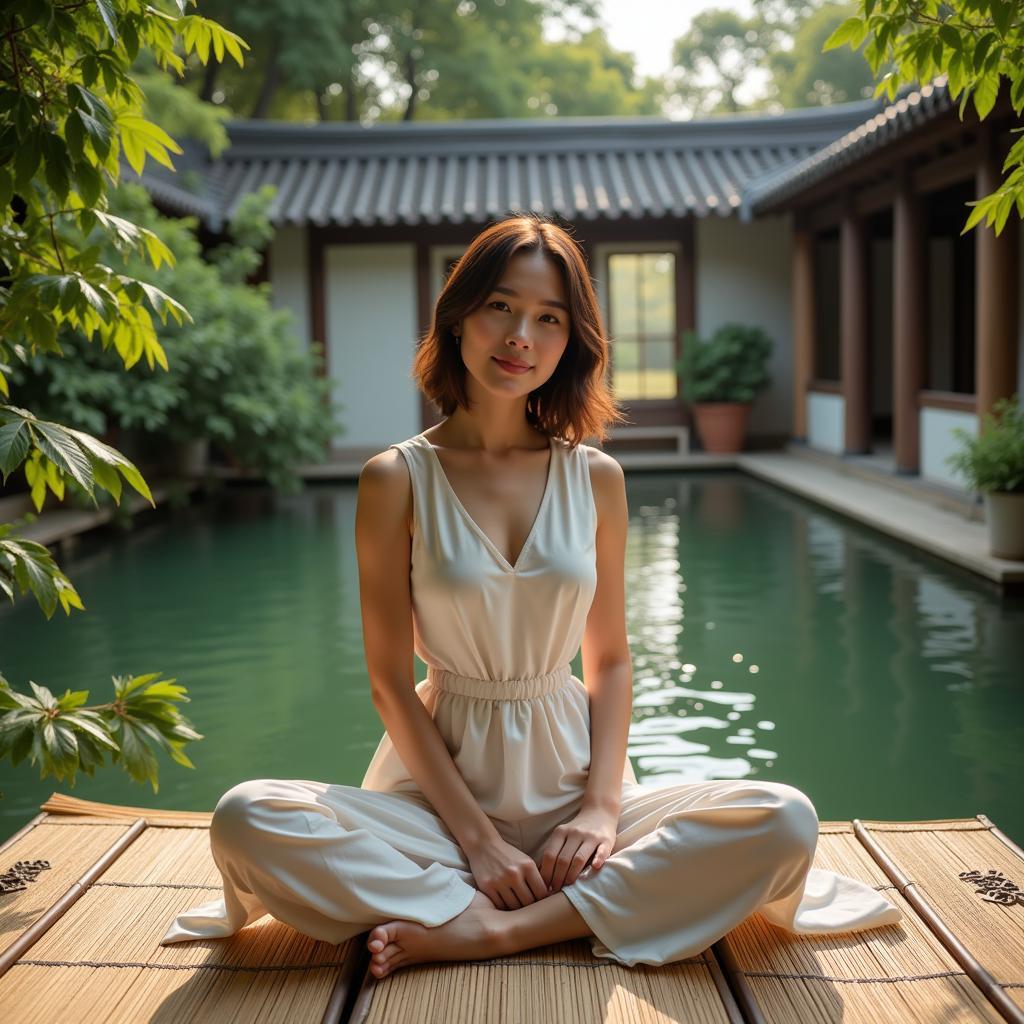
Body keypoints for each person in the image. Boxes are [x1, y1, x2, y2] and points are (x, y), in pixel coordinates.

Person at [159, 213, 902, 976]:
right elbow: (388, 681)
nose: (522, 336)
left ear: (571, 341)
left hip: (573, 789)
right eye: (501, 308)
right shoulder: (396, 479)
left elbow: (609, 662)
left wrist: (602, 810)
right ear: (458, 319)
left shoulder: (596, 478)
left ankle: (497, 927)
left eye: (549, 319)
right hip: (435, 810)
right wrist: (479, 841)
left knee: (784, 820)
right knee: (247, 817)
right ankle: (514, 896)